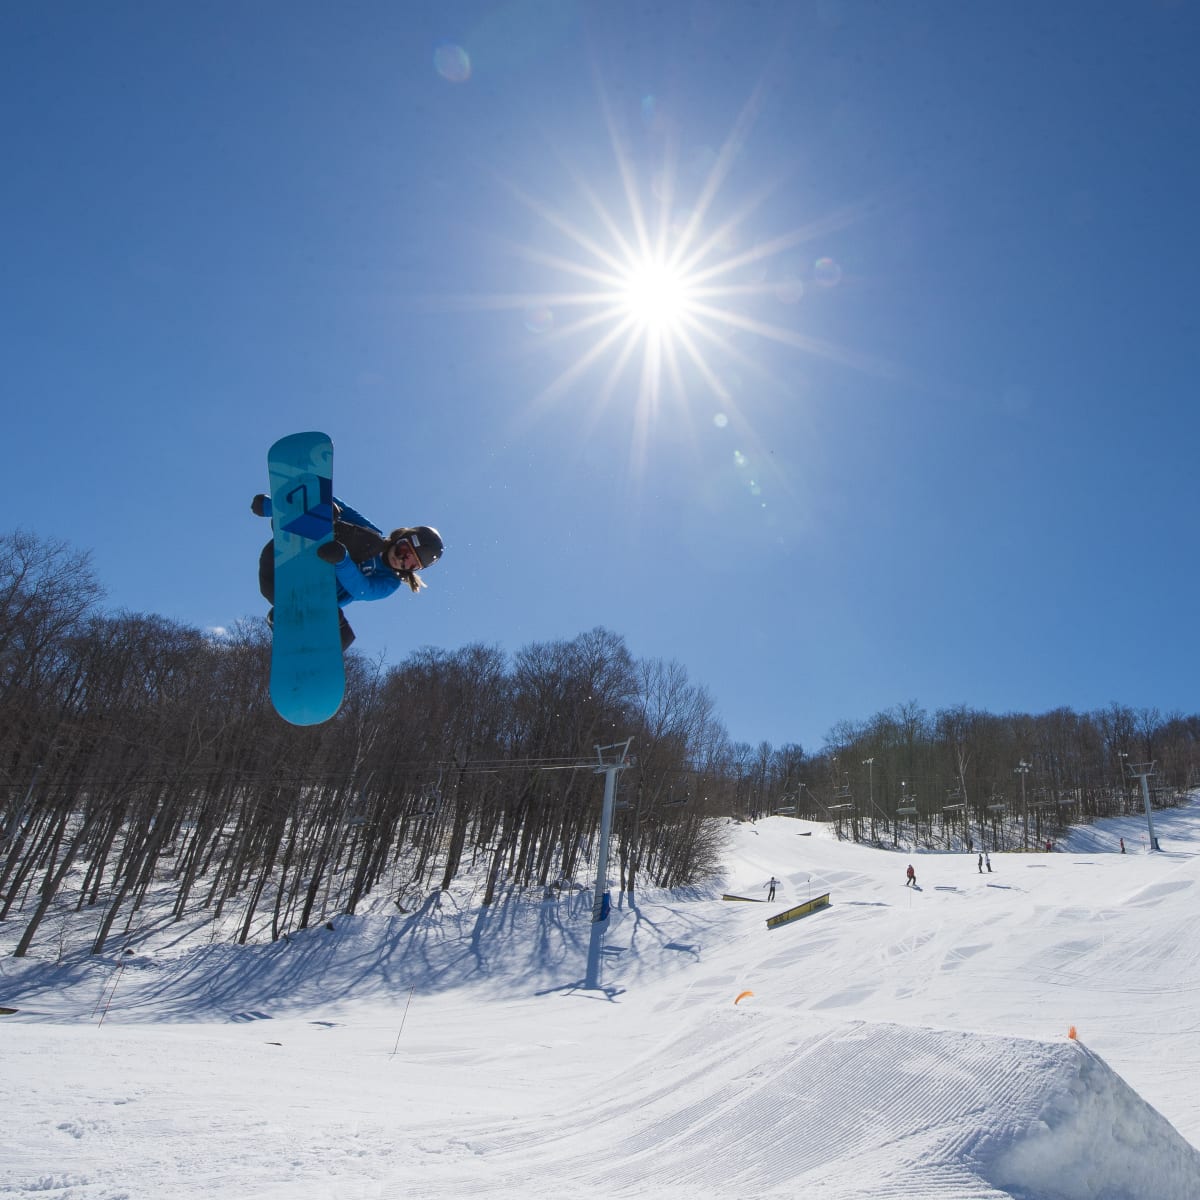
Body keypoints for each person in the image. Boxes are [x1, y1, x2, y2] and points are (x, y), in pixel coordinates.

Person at [252, 494, 443, 650]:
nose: (402, 561)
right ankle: (294, 527)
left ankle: (292, 626)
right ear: (401, 538)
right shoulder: (371, 536)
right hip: (280, 561)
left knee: (342, 636)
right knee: (334, 513)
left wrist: (342, 560)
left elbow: (361, 588)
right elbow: (333, 501)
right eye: (404, 551)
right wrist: (270, 506)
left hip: (301, 595)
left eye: (411, 564)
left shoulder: (390, 582)